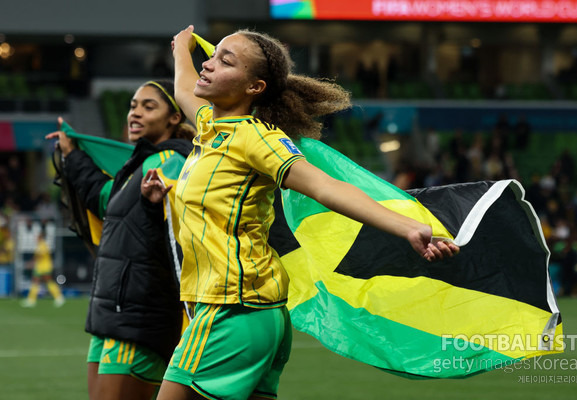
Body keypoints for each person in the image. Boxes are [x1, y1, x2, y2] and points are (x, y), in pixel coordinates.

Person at [144, 26, 460, 400]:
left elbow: (325, 187)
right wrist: (183, 46)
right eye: (211, 57)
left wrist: (408, 227)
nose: (208, 65)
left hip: (230, 309)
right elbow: (183, 88)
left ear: (254, 88)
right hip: (252, 312)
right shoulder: (214, 128)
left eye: (225, 61)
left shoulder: (255, 137)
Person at [46, 80, 196, 400]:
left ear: (174, 118)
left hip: (140, 315)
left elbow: (181, 226)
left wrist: (152, 202)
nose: (135, 113)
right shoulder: (137, 168)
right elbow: (103, 198)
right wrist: (72, 155)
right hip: (110, 313)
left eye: (148, 106)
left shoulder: (175, 163)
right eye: (132, 105)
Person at [21, 229, 65, 308]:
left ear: (40, 237)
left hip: (44, 267)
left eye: (37, 236)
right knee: (36, 281)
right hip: (40, 267)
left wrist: (31, 263)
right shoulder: (40, 245)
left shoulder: (42, 245)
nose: (36, 238)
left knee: (47, 281)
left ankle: (59, 297)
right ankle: (31, 299)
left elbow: (39, 256)